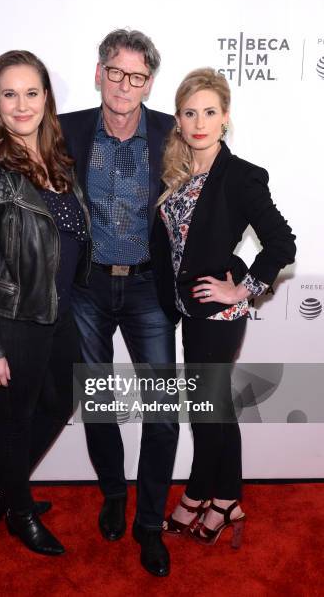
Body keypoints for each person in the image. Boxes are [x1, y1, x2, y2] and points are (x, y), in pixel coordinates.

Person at [153, 67, 296, 547]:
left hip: (219, 313)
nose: (199, 122)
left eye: (209, 112)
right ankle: (222, 496)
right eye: (190, 112)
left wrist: (243, 289)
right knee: (210, 409)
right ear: (178, 119)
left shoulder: (240, 176)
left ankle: (206, 496)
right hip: (188, 310)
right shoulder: (174, 170)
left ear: (225, 118)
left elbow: (282, 242)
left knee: (207, 408)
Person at [0, 50, 90, 556]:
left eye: (31, 92)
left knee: (59, 403)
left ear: (46, 98)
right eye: (9, 94)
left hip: (60, 313)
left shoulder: (59, 159)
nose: (21, 105)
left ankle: (5, 488)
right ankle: (20, 511)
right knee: (13, 423)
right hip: (14, 322)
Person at [58, 29, 179, 576]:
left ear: (148, 82)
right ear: (99, 72)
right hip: (87, 285)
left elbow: (220, 176)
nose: (124, 85)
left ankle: (149, 523)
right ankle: (113, 492)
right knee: (100, 402)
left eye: (136, 76)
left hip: (149, 287)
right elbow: (16, 156)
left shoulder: (171, 132)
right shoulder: (68, 129)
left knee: (163, 413)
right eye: (115, 71)